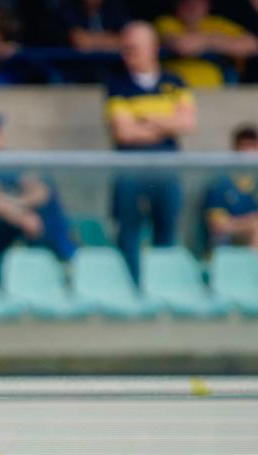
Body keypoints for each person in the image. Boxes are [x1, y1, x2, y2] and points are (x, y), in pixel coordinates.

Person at [105, 22, 197, 282]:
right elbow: (124, 132)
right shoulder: (117, 83)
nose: (128, 54)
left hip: (166, 169)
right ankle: (131, 286)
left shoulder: (174, 82)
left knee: (166, 226)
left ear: (152, 48)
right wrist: (167, 124)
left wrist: (145, 119)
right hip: (130, 170)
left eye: (133, 48)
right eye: (125, 49)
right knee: (128, 228)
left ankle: (163, 284)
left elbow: (188, 123)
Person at [0, 111, 77, 264]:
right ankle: (66, 258)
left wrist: (17, 204)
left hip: (15, 224)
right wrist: (20, 217)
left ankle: (65, 258)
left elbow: (41, 190)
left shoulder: (4, 164)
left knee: (46, 203)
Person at [156, 0, 258, 87]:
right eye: (187, 3)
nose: (192, 8)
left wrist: (206, 40)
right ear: (178, 5)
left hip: (218, 89)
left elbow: (252, 46)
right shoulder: (167, 22)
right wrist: (221, 42)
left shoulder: (218, 24)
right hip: (176, 89)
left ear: (208, 5)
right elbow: (183, 46)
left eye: (198, 3)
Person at [201, 124, 258, 250]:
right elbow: (218, 227)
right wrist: (252, 222)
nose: (248, 152)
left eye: (253, 146)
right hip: (225, 248)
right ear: (235, 149)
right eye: (244, 146)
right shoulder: (221, 185)